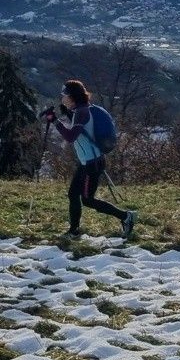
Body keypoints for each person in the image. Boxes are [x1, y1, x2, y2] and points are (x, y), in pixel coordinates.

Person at [42, 79, 137, 240]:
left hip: (92, 164)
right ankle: (73, 231)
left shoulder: (82, 112)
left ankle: (126, 216)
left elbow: (71, 137)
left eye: (64, 95)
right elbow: (83, 129)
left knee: (87, 200)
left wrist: (55, 121)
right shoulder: (81, 109)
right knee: (73, 194)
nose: (62, 97)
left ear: (72, 97)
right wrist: (64, 113)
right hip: (87, 162)